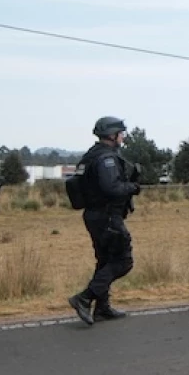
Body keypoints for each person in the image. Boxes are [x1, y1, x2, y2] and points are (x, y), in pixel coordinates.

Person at [67, 117, 141, 325]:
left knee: (105, 261)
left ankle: (102, 307)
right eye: (120, 133)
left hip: (95, 215)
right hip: (107, 216)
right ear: (112, 135)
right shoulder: (106, 158)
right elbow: (112, 188)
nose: (122, 137)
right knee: (123, 261)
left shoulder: (91, 155)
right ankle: (84, 298)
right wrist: (133, 187)